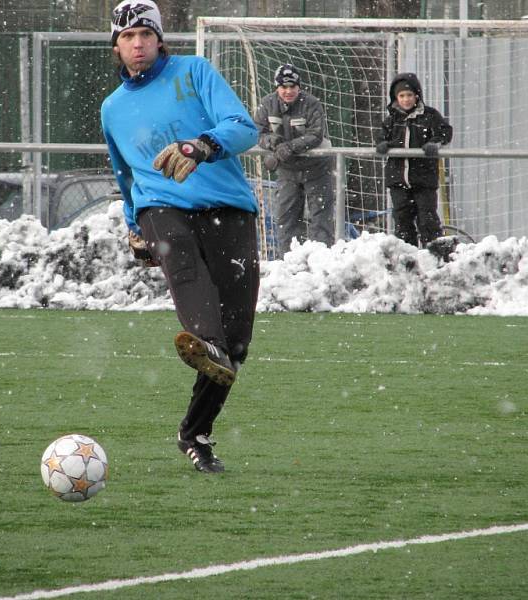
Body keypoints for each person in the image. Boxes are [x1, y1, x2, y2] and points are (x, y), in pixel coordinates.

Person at [101, 0, 260, 474]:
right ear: (116, 46)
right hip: (160, 208)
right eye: (127, 37)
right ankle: (206, 340)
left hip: (228, 207)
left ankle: (195, 432)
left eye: (145, 35)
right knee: (190, 280)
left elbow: (244, 128)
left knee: (233, 348)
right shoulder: (113, 108)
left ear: (159, 39)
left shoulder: (195, 72)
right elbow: (125, 175)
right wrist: (133, 224)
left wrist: (199, 145)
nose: (137, 44)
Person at [254, 64, 335, 259]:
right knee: (286, 218)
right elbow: (257, 131)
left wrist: (290, 147)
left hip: (316, 169)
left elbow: (316, 134)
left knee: (320, 219)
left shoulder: (312, 103)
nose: (288, 91)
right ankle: (288, 263)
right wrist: (273, 142)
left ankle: (321, 263)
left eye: (293, 87)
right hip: (287, 171)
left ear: (299, 87)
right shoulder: (266, 104)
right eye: (284, 87)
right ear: (276, 87)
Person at [375, 72, 453, 249]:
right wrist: (382, 144)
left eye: (409, 95)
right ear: (396, 97)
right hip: (398, 179)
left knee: (427, 218)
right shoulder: (392, 120)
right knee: (402, 220)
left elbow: (445, 132)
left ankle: (434, 254)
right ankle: (406, 256)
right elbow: (380, 137)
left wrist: (435, 142)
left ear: (416, 95)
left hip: (423, 179)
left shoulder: (430, 116)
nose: (406, 100)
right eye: (401, 96)